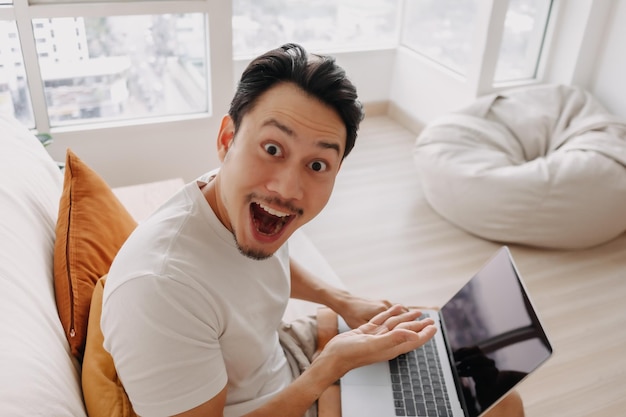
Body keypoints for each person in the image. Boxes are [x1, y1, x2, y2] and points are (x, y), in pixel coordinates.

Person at [101, 43, 522, 417]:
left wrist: (342, 300)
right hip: (286, 395)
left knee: (460, 365)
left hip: (286, 357)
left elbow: (253, 269)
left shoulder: (228, 195)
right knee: (501, 406)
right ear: (228, 139)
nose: (288, 188)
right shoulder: (159, 289)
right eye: (273, 149)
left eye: (317, 164)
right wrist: (330, 367)